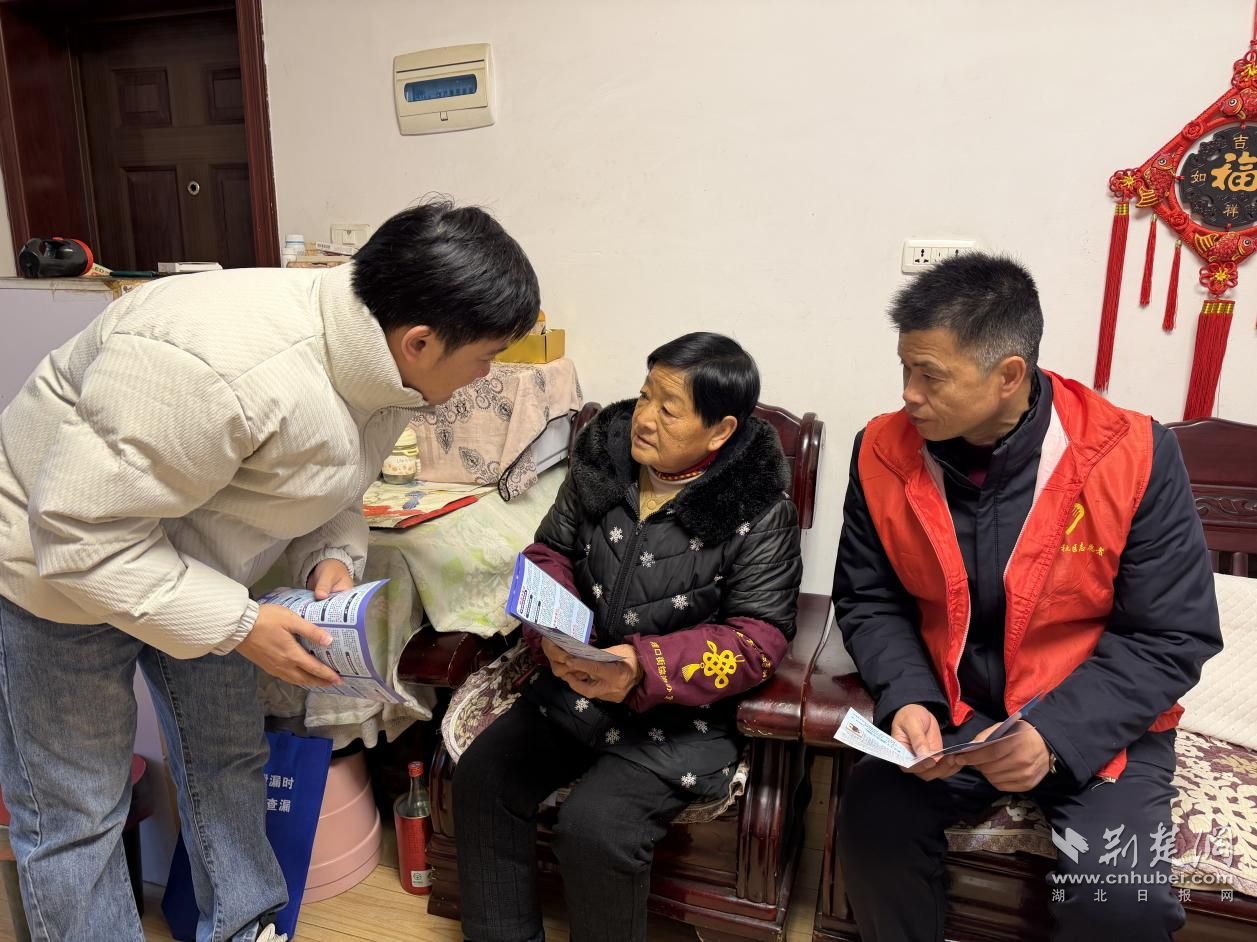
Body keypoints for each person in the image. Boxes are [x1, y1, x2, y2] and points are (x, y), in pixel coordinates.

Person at [0, 199, 539, 942]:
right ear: (419, 341)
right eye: (485, 357)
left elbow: (331, 469)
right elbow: (76, 531)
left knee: (228, 758)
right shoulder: (213, 367)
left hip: (193, 559)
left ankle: (245, 925)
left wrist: (331, 556)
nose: (486, 376)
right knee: (77, 809)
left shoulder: (378, 354)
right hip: (57, 564)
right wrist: (241, 623)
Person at [832, 252, 1222, 942]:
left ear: (1008, 375)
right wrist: (910, 699)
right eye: (905, 369)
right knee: (870, 820)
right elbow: (869, 599)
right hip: (956, 712)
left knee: (1119, 901)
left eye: (930, 376)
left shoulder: (1131, 454)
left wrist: (1054, 734)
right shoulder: (881, 451)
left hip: (1096, 716)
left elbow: (1170, 633)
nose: (909, 395)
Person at [453, 332, 803, 942]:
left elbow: (757, 638)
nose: (644, 418)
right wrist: (554, 636)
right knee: (484, 780)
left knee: (595, 830)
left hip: (678, 715)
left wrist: (643, 666)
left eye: (669, 409)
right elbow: (549, 552)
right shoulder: (603, 465)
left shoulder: (759, 510)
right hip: (572, 684)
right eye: (644, 396)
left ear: (719, 431)